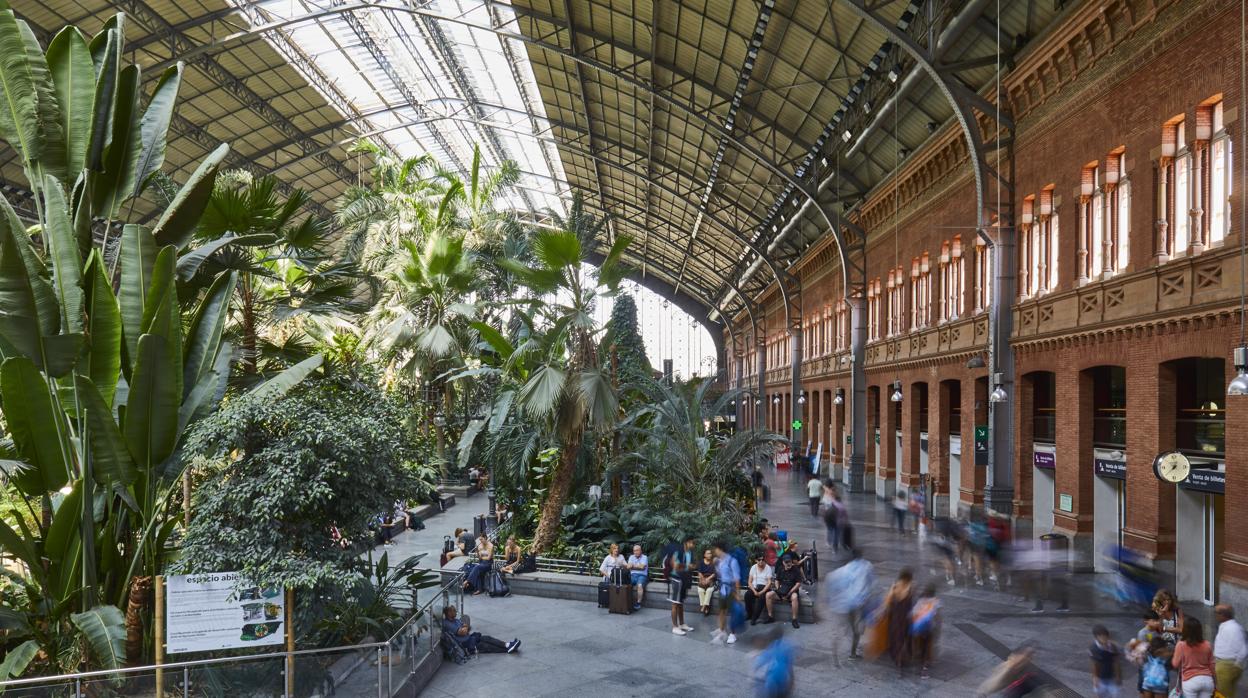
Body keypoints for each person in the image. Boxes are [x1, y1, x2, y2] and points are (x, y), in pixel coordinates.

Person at [825, 548, 874, 664]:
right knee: (855, 629)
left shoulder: (838, 572)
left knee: (840, 630)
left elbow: (830, 593)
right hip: (853, 603)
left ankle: (836, 656)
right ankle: (852, 653)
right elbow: (867, 584)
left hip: (840, 606)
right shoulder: (863, 567)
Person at [441, 605, 520, 655]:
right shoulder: (447, 624)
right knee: (487, 646)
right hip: (467, 644)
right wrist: (465, 628)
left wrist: (465, 628)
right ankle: (507, 650)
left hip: (471, 638)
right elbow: (463, 632)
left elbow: (466, 627)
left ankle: (508, 645)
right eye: (453, 610)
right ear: (449, 613)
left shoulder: (456, 620)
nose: (455, 611)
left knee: (487, 638)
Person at [1172, 617, 1216, 697]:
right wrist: (1215, 681)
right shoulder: (1207, 644)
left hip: (1190, 681)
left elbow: (1175, 664)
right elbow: (1212, 665)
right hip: (1207, 680)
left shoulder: (1181, 645)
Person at [1213, 604, 1246, 697]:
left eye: (1216, 613)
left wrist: (1236, 664)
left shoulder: (1233, 629)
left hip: (1226, 666)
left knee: (1224, 695)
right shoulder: (1226, 626)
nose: (1215, 615)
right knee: (1229, 693)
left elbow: (1243, 649)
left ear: (1223, 615)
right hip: (1224, 665)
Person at [712, 541, 741, 645]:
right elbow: (720, 574)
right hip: (722, 588)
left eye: (715, 549)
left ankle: (733, 634)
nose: (714, 551)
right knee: (721, 610)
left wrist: (737, 594)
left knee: (733, 612)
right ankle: (722, 630)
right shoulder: (720, 561)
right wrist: (715, 565)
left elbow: (737, 578)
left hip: (731, 590)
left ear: (720, 549)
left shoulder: (732, 561)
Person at [884, 568, 915, 670]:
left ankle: (898, 658)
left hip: (895, 617)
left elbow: (887, 601)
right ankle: (904, 655)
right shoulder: (910, 587)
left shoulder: (895, 586)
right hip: (906, 617)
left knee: (896, 637)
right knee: (905, 636)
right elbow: (911, 603)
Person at [752, 627, 795, 698]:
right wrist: (792, 681)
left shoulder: (767, 651)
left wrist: (755, 676)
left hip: (771, 682)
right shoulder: (786, 647)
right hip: (782, 680)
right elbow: (789, 667)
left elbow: (760, 666)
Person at [666, 537, 696, 636]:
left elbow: (691, 565)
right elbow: (673, 564)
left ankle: (682, 624)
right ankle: (675, 627)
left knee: (680, 603)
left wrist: (691, 567)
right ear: (686, 542)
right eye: (692, 542)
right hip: (676, 579)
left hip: (684, 579)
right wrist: (687, 566)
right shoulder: (678, 551)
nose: (693, 545)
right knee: (675, 603)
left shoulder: (690, 553)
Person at [910, 584, 941, 679]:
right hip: (929, 629)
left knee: (920, 646)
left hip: (918, 628)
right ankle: (924, 668)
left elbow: (913, 613)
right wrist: (938, 628)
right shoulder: (936, 602)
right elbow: (938, 617)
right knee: (927, 647)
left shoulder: (920, 601)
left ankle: (918, 661)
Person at [1088, 624, 1122, 698]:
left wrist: (1118, 675)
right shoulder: (1093, 648)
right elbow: (1094, 664)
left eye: (1105, 636)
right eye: (1101, 636)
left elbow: (1116, 662)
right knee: (1100, 694)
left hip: (1111, 676)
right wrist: (1095, 677)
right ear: (1096, 637)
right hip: (1100, 677)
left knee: (1115, 694)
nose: (1104, 638)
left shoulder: (1113, 646)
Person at [773, 552, 803, 629]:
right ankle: (770, 616)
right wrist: (778, 590)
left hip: (791, 591)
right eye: (786, 562)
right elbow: (777, 580)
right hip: (782, 590)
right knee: (768, 595)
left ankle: (794, 619)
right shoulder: (780, 569)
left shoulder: (796, 569)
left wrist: (789, 593)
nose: (788, 564)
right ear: (783, 563)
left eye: (789, 562)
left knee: (795, 597)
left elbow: (798, 583)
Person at [746, 555, 776, 625]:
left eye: (762, 560)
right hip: (755, 587)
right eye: (759, 560)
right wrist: (754, 591)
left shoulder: (768, 568)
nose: (761, 561)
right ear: (756, 560)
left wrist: (762, 591)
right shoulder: (753, 567)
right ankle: (749, 614)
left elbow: (769, 583)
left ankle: (754, 618)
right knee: (747, 595)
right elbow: (749, 582)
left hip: (764, 587)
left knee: (762, 598)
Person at [626, 544, 649, 611]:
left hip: (642, 576)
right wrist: (638, 566)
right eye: (634, 551)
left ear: (640, 551)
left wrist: (633, 566)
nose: (635, 552)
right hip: (632, 575)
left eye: (637, 550)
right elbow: (628, 567)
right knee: (626, 585)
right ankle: (627, 601)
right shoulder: (631, 557)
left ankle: (638, 603)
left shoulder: (645, 557)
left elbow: (642, 568)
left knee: (640, 585)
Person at [696, 549, 717, 615]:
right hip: (703, 580)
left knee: (709, 590)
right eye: (708, 553)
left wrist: (708, 579)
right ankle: (706, 607)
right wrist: (703, 580)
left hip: (711, 580)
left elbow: (714, 574)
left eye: (710, 553)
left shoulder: (713, 562)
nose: (709, 555)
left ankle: (704, 606)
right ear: (704, 555)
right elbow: (699, 573)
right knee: (700, 590)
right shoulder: (701, 562)